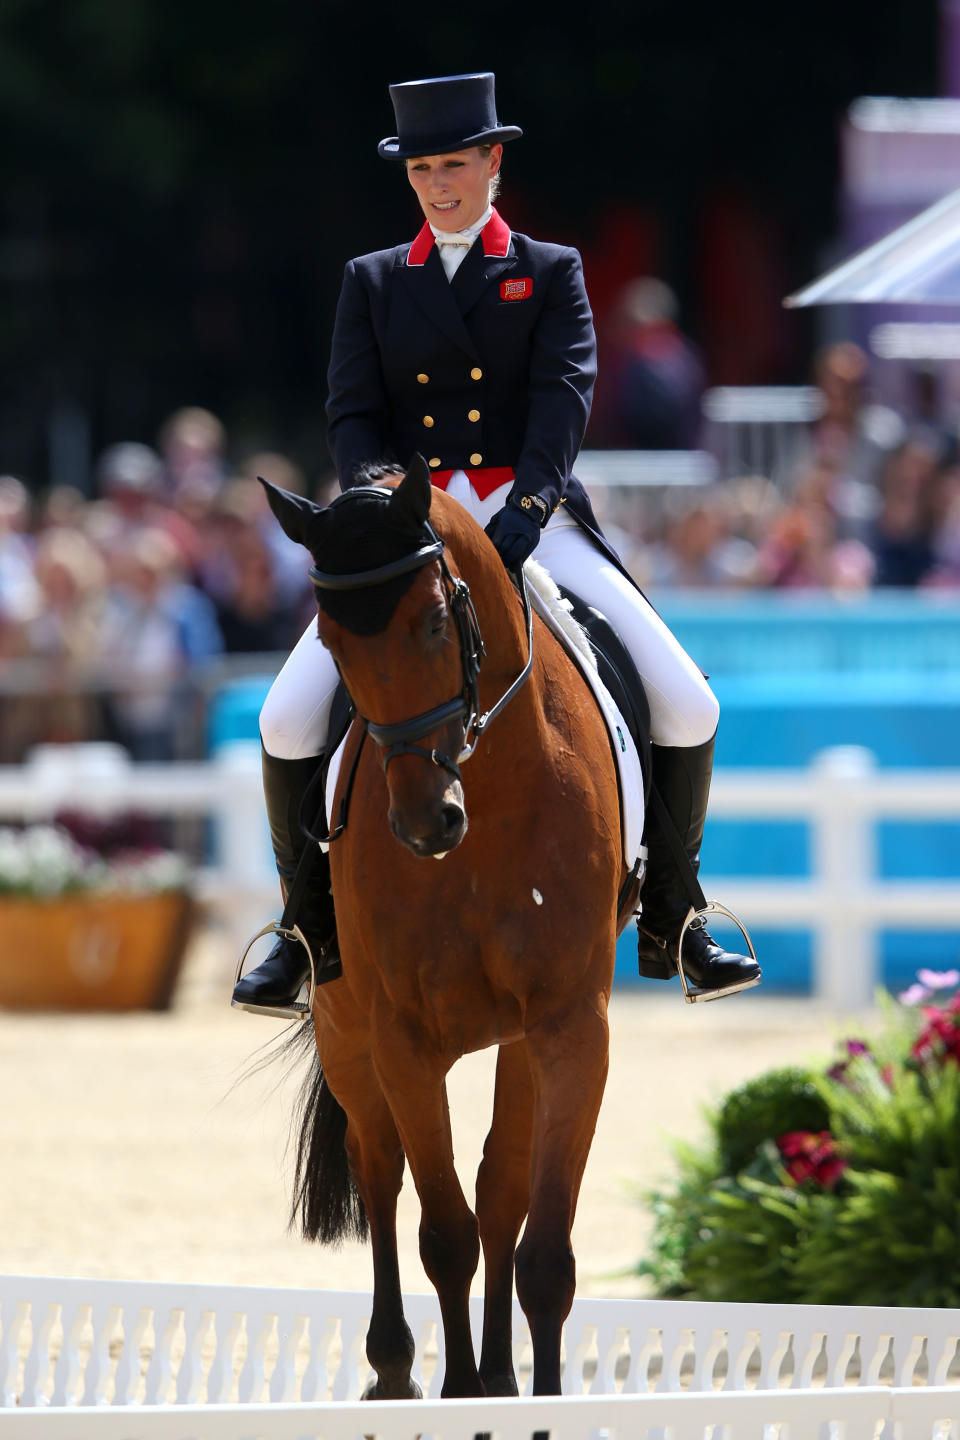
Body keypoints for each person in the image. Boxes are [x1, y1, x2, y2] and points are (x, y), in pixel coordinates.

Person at [232, 72, 761, 1018]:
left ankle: (675, 914)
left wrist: (529, 504)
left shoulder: (549, 270)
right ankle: (304, 929)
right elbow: (353, 415)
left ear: (492, 163)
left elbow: (565, 395)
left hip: (533, 525)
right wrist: (381, 508)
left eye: (455, 166)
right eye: (424, 169)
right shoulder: (373, 281)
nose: (439, 185)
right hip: (411, 536)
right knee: (283, 719)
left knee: (687, 700)